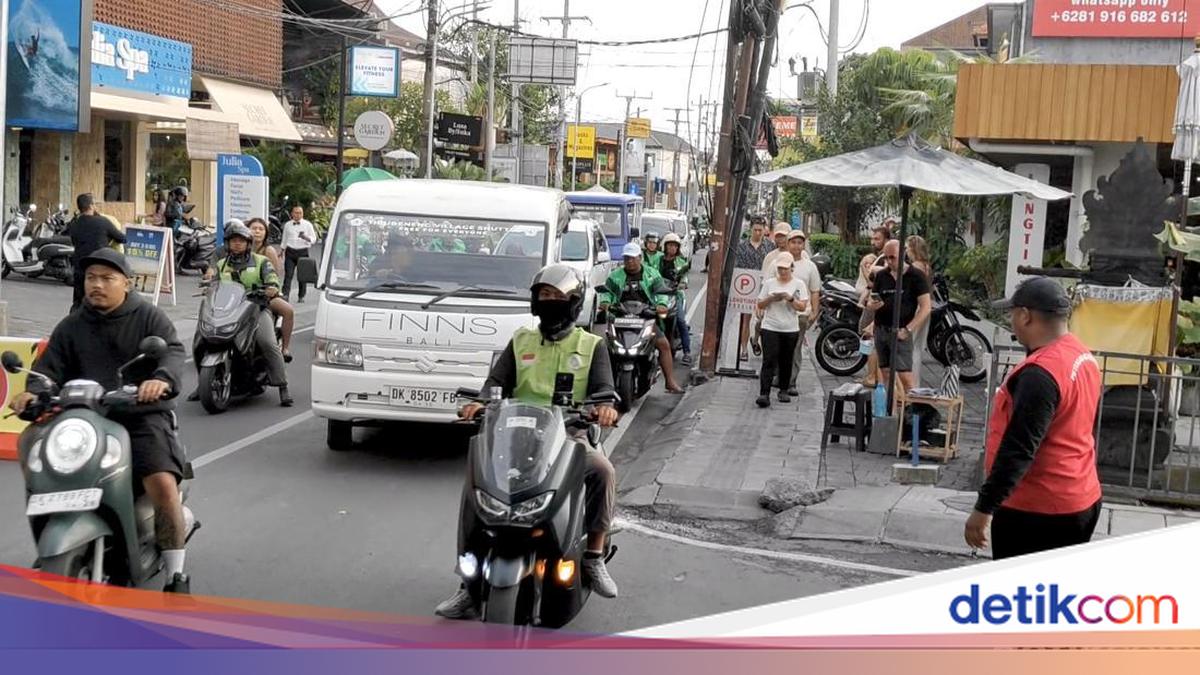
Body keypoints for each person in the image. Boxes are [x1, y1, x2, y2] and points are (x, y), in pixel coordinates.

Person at [435, 264, 621, 619]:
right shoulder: (521, 340)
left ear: (574, 302)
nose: (550, 301)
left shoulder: (592, 345)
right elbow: (495, 384)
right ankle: (467, 584)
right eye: (544, 295)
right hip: (515, 436)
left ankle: (594, 556)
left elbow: (604, 390)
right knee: (478, 484)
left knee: (602, 470)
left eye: (558, 296)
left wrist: (604, 408)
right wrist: (480, 403)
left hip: (569, 436)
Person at [10, 249, 191, 593]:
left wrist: (160, 380)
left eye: (107, 278)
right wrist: (32, 393)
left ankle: (176, 574)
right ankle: (50, 534)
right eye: (91, 277)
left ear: (126, 283)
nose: (97, 285)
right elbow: (48, 369)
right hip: (81, 418)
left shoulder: (148, 317)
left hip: (138, 415)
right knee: (31, 443)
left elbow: (172, 351)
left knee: (162, 482)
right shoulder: (72, 324)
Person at [964, 277, 1103, 559]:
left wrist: (984, 508)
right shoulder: (1082, 356)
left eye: (1012, 314)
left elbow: (1019, 448)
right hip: (1080, 495)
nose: (1011, 321)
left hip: (1038, 509)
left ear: (1025, 316)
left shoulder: (1040, 374)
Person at [203, 223, 292, 406]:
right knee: (201, 338)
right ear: (227, 243)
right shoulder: (221, 264)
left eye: (241, 241)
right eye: (233, 240)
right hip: (228, 310)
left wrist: (271, 287)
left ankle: (282, 385)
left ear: (248, 243)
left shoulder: (261, 262)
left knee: (267, 342)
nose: (237, 243)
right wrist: (208, 286)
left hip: (256, 308)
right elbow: (214, 283)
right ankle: (202, 384)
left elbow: (272, 279)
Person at [600, 242, 685, 394]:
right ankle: (603, 384)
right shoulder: (615, 276)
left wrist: (661, 304)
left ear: (640, 258)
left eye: (633, 258)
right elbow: (607, 292)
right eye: (627, 258)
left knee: (664, 345)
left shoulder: (652, 275)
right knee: (603, 348)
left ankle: (670, 381)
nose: (630, 261)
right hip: (620, 319)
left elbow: (661, 293)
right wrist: (605, 302)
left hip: (645, 318)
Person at [864, 239, 932, 396]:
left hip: (901, 329)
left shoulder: (916, 276)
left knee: (905, 375)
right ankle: (889, 406)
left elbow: (926, 307)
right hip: (882, 328)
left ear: (902, 255)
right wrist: (872, 305)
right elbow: (871, 299)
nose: (889, 262)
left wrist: (909, 329)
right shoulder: (882, 275)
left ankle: (911, 408)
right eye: (886, 257)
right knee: (885, 373)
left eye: (892, 257)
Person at [755, 252, 808, 408]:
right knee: (769, 360)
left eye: (785, 268)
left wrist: (789, 298)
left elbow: (802, 306)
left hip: (790, 328)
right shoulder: (769, 283)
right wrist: (772, 298)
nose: (783, 271)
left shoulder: (798, 284)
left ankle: (783, 389)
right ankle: (764, 393)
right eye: (780, 269)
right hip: (770, 326)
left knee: (786, 360)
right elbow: (760, 304)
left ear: (791, 268)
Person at [69, 193, 127, 311]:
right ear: (91, 206)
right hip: (98, 268)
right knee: (97, 303)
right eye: (94, 204)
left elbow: (74, 241)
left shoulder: (74, 224)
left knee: (78, 303)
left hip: (79, 267)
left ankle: (75, 321)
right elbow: (122, 238)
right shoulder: (102, 222)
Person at [249, 217, 295, 363]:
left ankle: (285, 348)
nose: (257, 232)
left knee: (288, 310)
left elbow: (274, 276)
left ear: (266, 233)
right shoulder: (240, 248)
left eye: (260, 229)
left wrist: (270, 289)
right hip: (241, 294)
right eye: (254, 228)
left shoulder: (268, 251)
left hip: (263, 295)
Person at [784, 230, 822, 397]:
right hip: (779, 313)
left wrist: (814, 311)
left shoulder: (810, 266)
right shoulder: (780, 262)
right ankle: (779, 376)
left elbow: (815, 290)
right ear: (788, 244)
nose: (796, 246)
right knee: (779, 347)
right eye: (793, 242)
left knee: (795, 347)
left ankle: (791, 381)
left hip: (801, 314)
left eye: (800, 243)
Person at [736, 216, 775, 360]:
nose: (758, 233)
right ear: (751, 229)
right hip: (747, 286)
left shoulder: (770, 247)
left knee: (763, 318)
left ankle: (756, 339)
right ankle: (743, 350)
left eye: (760, 230)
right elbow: (738, 267)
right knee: (745, 319)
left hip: (764, 286)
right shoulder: (742, 247)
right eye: (755, 230)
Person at [858, 224, 892, 387]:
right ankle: (873, 375)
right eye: (872, 238)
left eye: (877, 239)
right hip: (875, 300)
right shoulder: (881, 257)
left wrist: (866, 269)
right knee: (870, 339)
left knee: (871, 339)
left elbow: (871, 282)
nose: (873, 242)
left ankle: (872, 376)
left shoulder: (886, 259)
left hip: (878, 302)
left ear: (887, 239)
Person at [659, 233, 693, 367]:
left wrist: (682, 283)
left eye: (675, 246)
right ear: (665, 246)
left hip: (675, 295)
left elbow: (684, 277)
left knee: (680, 321)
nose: (672, 248)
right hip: (659, 295)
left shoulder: (681, 261)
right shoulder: (658, 260)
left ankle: (687, 352)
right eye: (670, 245)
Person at [905, 235, 934, 386]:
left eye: (907, 248)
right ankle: (914, 383)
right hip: (926, 306)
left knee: (910, 347)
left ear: (913, 249)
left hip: (915, 307)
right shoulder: (927, 266)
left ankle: (911, 383)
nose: (906, 251)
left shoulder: (914, 267)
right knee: (917, 347)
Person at [282, 205, 317, 304]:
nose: (298, 215)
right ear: (292, 214)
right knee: (288, 274)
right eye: (296, 213)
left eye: (300, 213)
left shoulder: (307, 224)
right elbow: (284, 238)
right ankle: (285, 295)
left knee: (302, 276)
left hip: (302, 251)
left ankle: (301, 296)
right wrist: (282, 250)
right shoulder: (287, 225)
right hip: (290, 251)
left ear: (302, 214)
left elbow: (314, 239)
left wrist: (306, 237)